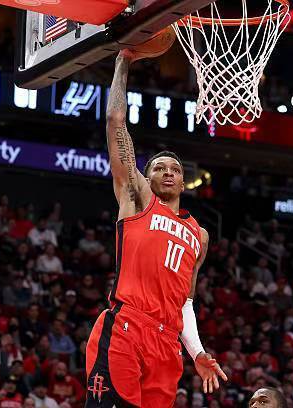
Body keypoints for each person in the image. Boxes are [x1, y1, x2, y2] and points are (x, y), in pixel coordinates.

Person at [84, 49, 226, 407]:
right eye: (159, 168)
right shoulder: (137, 199)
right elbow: (115, 120)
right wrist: (124, 61)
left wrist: (197, 352)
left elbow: (185, 303)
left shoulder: (200, 235)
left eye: (175, 169)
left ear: (183, 182)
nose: (168, 172)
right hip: (128, 327)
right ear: (145, 178)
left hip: (167, 346)